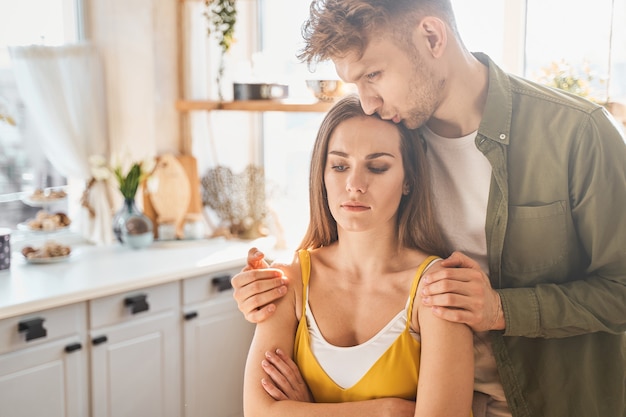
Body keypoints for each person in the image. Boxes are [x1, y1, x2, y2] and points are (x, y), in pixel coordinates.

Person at [233, 1, 626, 416]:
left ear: (432, 37)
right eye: (356, 84)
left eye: (373, 75)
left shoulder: (576, 133)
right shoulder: (395, 140)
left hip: (560, 403)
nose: (367, 102)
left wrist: (500, 309)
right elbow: (356, 250)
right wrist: (267, 289)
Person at [243, 94, 474, 417]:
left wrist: (307, 410)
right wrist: (388, 411)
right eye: (339, 166)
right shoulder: (291, 280)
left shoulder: (436, 289)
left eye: (377, 167)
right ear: (321, 175)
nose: (354, 184)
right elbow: (259, 412)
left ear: (409, 180)